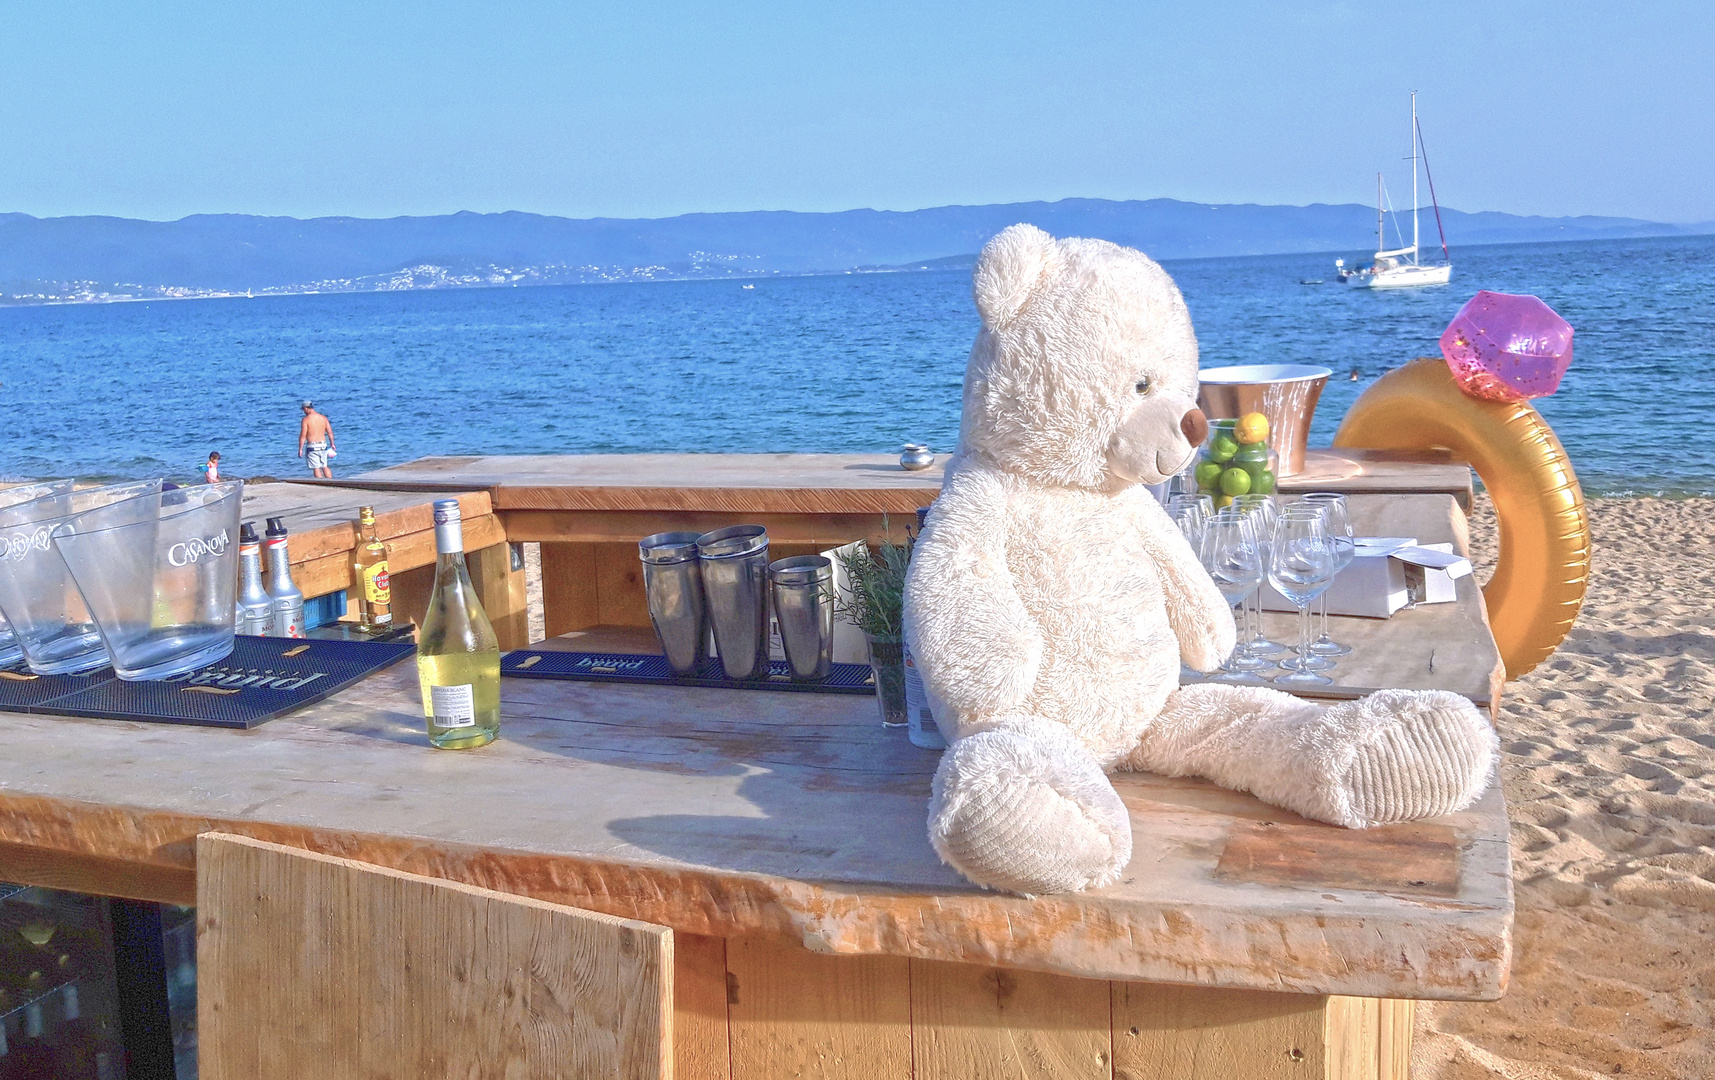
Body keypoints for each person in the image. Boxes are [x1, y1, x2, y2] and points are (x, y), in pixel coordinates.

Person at [298, 400, 337, 479]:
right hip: (323, 445)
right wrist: (332, 444)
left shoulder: (306, 420)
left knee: (316, 467)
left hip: (312, 446)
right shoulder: (323, 418)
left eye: (303, 409)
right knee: (324, 466)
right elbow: (330, 432)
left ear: (306, 408)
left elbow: (303, 435)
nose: (303, 411)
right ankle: (331, 482)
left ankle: (321, 484)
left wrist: (300, 449)